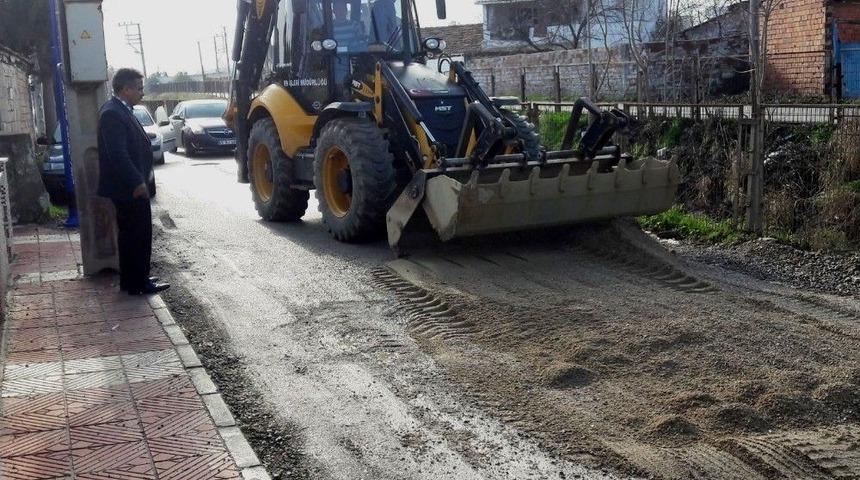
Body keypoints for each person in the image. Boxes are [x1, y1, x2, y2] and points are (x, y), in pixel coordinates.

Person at [97, 68, 170, 295]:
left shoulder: (122, 110)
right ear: (126, 89)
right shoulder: (112, 113)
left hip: (131, 186)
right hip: (128, 189)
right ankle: (138, 283)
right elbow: (118, 154)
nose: (142, 93)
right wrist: (137, 182)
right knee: (137, 235)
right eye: (139, 88)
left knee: (133, 234)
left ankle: (134, 279)